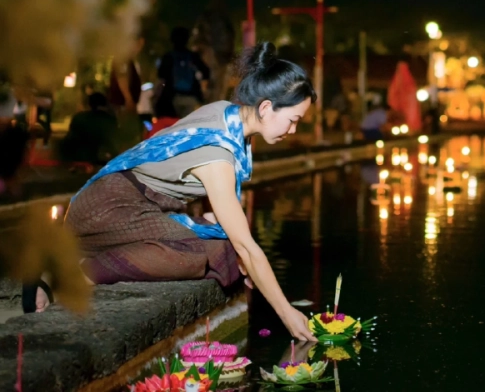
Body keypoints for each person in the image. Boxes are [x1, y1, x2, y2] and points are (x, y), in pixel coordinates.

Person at [26, 43, 317, 341]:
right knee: (198, 256)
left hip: (127, 204)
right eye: (293, 120)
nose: (293, 131)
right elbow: (247, 247)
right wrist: (287, 314)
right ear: (266, 108)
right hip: (110, 208)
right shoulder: (217, 154)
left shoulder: (225, 113)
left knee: (221, 244)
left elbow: (215, 210)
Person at [156, 26, 210, 119]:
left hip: (172, 98)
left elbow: (161, 74)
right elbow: (206, 72)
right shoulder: (193, 56)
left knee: (173, 126)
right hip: (191, 97)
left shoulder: (168, 57)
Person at [58, 92, 118, 164]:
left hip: (78, 155)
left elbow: (71, 136)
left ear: (89, 104)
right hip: (100, 156)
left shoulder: (80, 117)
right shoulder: (110, 119)